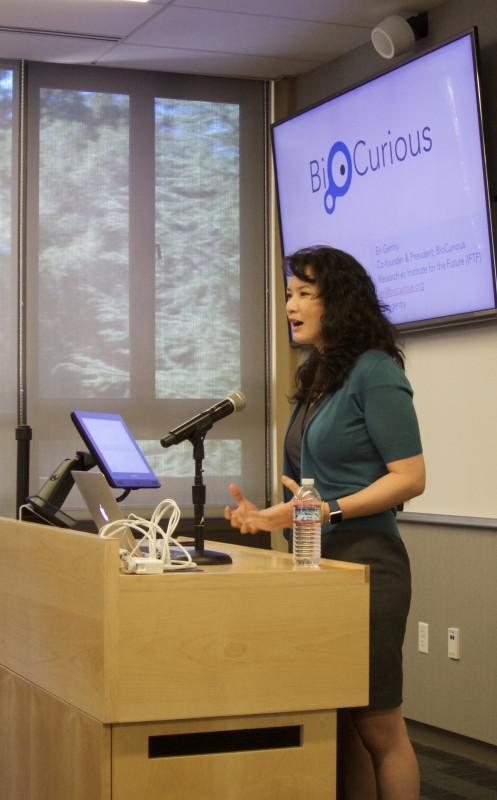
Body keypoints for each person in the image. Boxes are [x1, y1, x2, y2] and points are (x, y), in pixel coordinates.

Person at [224, 245, 425, 800]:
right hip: (315, 562)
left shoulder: (375, 371)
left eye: (304, 294)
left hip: (367, 565)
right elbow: (314, 489)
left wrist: (326, 510)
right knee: (341, 725)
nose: (291, 305)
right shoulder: (318, 376)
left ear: (338, 302)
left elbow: (409, 477)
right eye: (289, 294)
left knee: (378, 727)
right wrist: (271, 517)